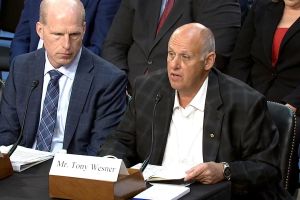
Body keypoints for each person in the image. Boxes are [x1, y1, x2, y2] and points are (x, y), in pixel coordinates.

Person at [98, 23, 292, 199]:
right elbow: (121, 140)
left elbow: (267, 167)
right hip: (154, 194)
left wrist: (224, 170)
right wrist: (111, 163)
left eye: (185, 57)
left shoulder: (243, 102)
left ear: (208, 61)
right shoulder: (148, 89)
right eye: (171, 54)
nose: (174, 65)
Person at [0, 0, 127, 156]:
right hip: (22, 169)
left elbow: (100, 149)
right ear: (40, 30)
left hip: (71, 173)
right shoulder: (20, 68)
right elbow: (7, 135)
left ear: (84, 30)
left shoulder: (109, 80)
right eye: (58, 34)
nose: (66, 45)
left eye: (74, 35)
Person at [226, 0, 300, 193]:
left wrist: (292, 105)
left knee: (285, 128)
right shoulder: (260, 9)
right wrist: (242, 97)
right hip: (253, 97)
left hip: (293, 103)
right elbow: (240, 59)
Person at [101, 0, 241, 93]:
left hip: (175, 98)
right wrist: (120, 85)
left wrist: (153, 93)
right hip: (126, 92)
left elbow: (213, 58)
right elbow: (114, 45)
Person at [9, 0, 121, 63]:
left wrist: (59, 66)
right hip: (31, 66)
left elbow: (100, 47)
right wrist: (22, 68)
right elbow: (21, 40)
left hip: (73, 68)